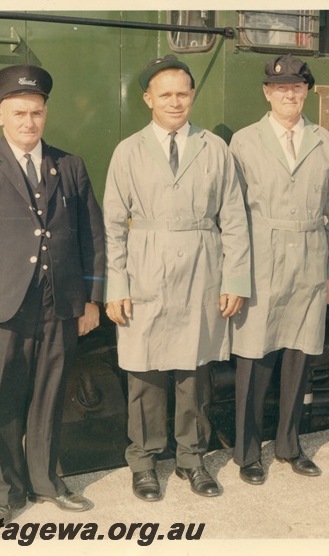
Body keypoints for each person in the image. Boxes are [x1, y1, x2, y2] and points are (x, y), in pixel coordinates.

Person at [0, 65, 106, 523]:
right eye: (19, 113)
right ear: (0, 117)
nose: (29, 122)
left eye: (36, 112)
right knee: (3, 401)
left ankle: (47, 483)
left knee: (50, 397)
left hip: (59, 304)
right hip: (0, 308)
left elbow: (93, 235)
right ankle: (5, 494)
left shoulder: (69, 165)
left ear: (45, 114)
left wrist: (92, 300)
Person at [103, 55, 250, 501]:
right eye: (164, 94)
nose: (174, 101)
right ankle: (144, 463)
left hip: (201, 271)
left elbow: (236, 220)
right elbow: (111, 224)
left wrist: (235, 280)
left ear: (192, 96)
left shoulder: (214, 149)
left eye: (182, 93)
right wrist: (117, 285)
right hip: (145, 268)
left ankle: (192, 458)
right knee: (144, 372)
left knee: (193, 373)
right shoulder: (127, 151)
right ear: (148, 99)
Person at [229, 54, 329, 485]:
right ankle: (246, 455)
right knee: (255, 357)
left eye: (296, 88)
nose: (288, 95)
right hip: (262, 258)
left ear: (306, 92)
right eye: (280, 89)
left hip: (310, 259)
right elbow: (233, 213)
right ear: (267, 93)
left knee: (300, 355)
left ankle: (289, 447)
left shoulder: (322, 140)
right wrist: (235, 275)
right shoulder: (244, 141)